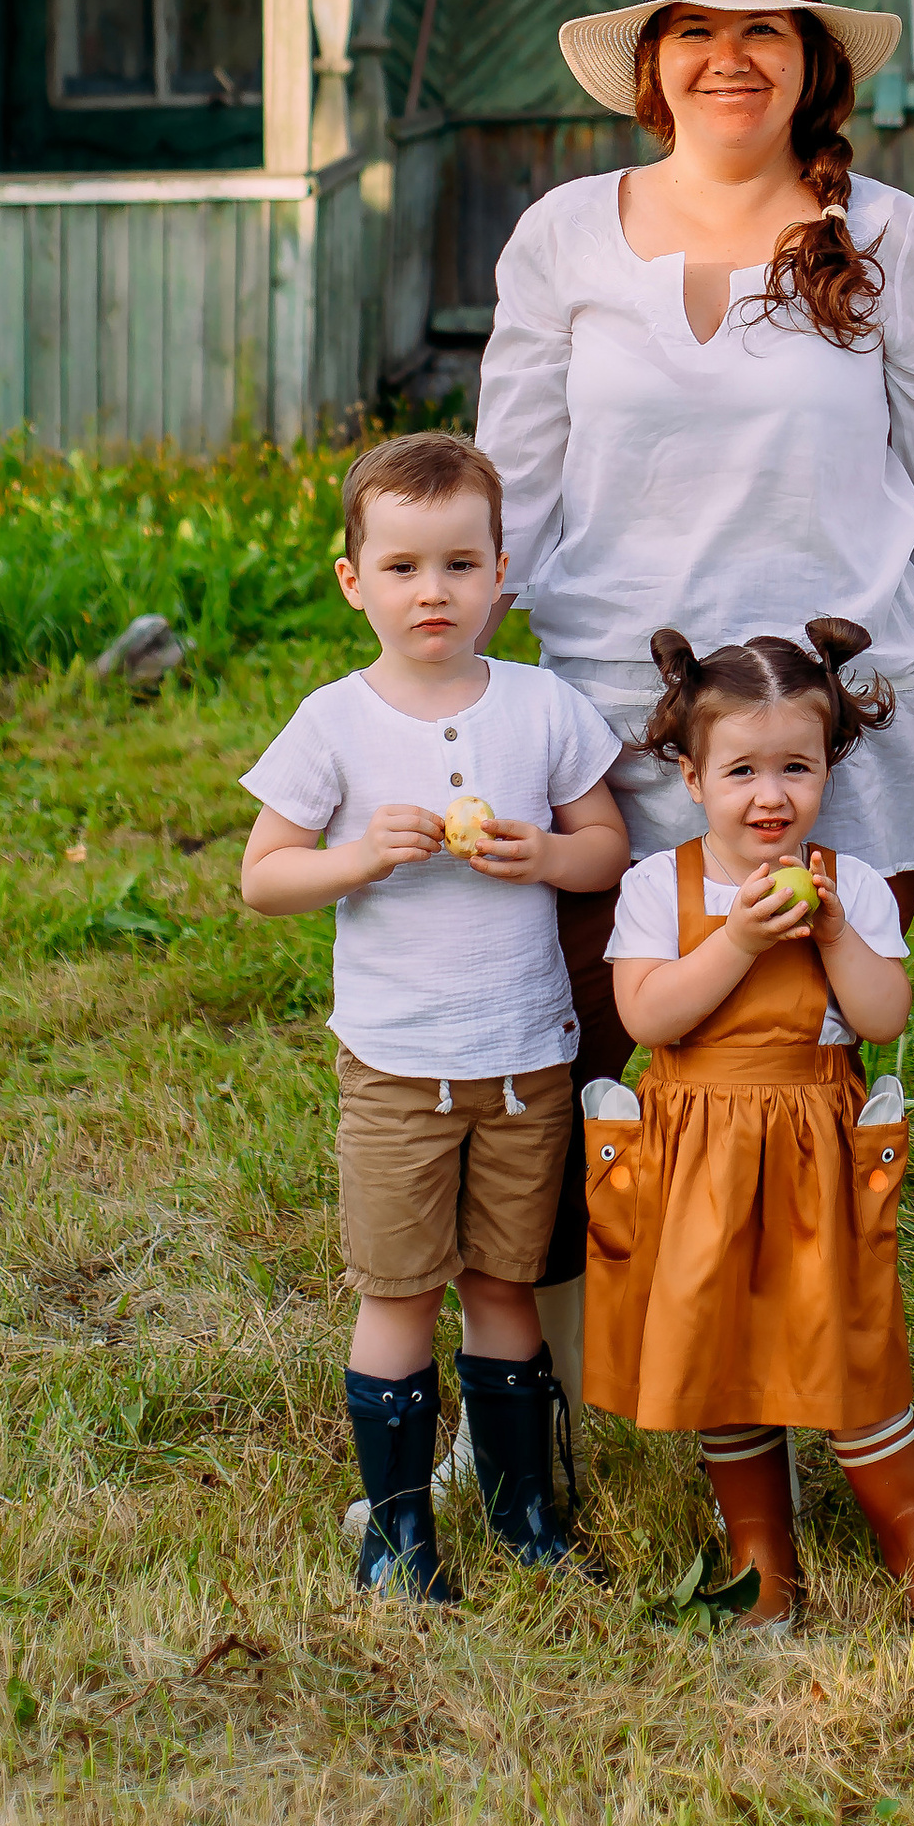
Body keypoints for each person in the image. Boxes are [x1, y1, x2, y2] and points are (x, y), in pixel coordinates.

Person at [476, 0, 914, 1433]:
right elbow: (513, 479)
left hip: (832, 731)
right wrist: (456, 703)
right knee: (594, 1067)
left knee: (797, 1081)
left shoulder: (885, 233)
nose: (727, 57)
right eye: (695, 28)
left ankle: (809, 1388)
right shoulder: (566, 234)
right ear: (652, 62)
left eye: (762, 27)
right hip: (613, 733)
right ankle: (561, 1391)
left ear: (811, 58)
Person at [239, 431, 629, 1601]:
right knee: (401, 1288)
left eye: (460, 565)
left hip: (524, 1063)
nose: (433, 592)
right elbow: (264, 878)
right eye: (403, 567)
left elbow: (606, 847)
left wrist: (546, 853)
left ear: (500, 573)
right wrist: (356, 858)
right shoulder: (335, 722)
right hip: (400, 1067)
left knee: (506, 1283)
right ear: (354, 579)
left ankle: (524, 1513)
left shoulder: (542, 707)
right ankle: (399, 1531)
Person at [585, 619, 914, 1632]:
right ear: (689, 776)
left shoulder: (843, 884)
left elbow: (884, 1016)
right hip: (698, 1151)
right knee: (720, 1348)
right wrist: (732, 941)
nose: (771, 795)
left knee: (844, 1337)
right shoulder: (657, 888)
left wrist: (836, 933)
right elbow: (649, 1018)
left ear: (830, 768)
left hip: (812, 1142)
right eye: (742, 770)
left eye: (797, 767)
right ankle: (761, 1558)